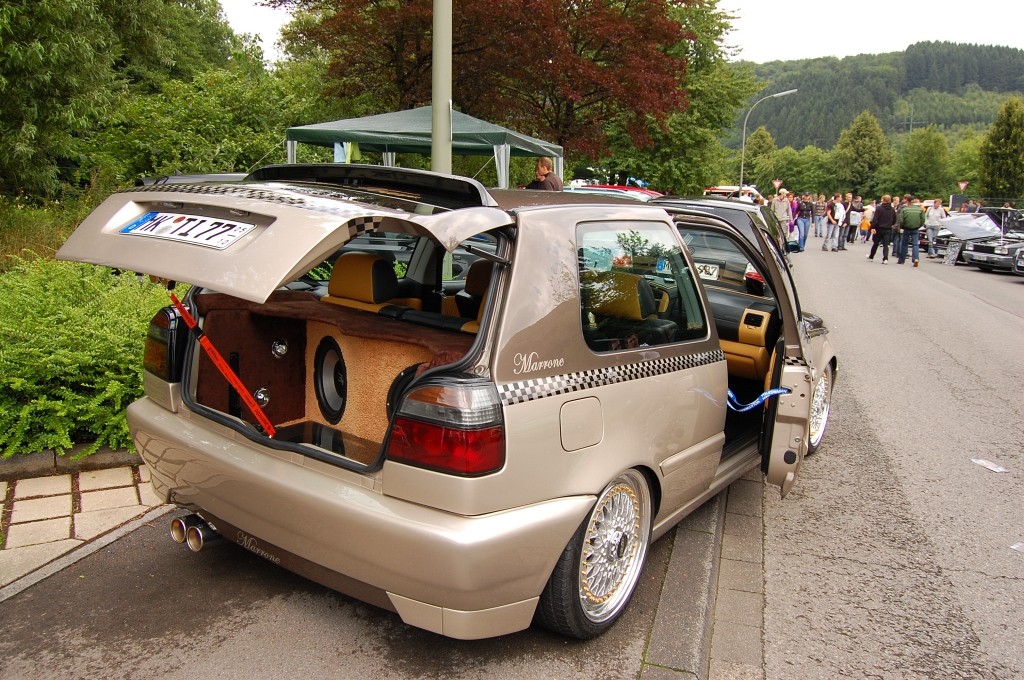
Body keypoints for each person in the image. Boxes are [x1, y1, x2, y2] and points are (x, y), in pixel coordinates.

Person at [867, 194, 896, 263]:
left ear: (883, 200)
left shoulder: (879, 208)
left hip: (879, 228)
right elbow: (894, 219)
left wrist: (872, 227)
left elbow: (875, 219)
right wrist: (890, 224)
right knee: (886, 244)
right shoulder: (892, 209)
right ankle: (885, 258)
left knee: (876, 243)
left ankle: (871, 256)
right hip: (888, 228)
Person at [897, 196, 925, 266]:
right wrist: (919, 226)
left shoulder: (905, 209)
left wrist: (903, 226)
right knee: (915, 244)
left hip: (907, 228)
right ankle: (916, 258)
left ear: (907, 201)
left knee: (904, 244)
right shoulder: (919, 209)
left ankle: (902, 260)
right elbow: (923, 219)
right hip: (915, 229)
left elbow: (901, 220)